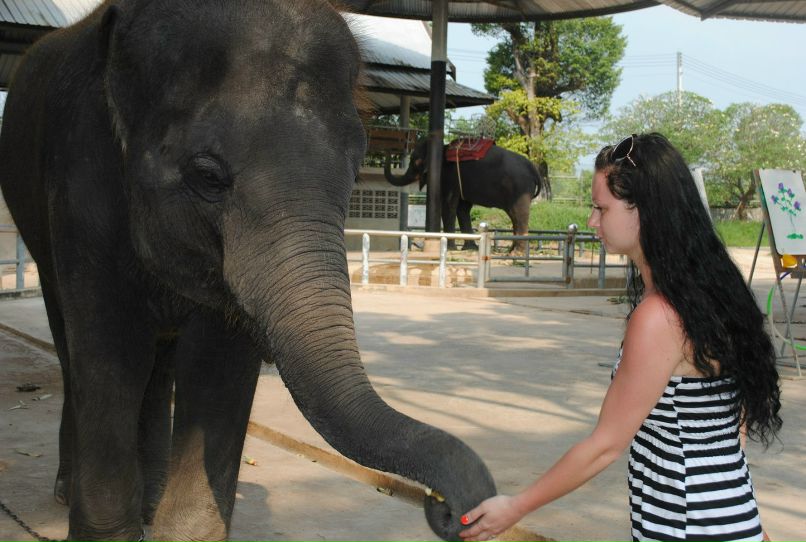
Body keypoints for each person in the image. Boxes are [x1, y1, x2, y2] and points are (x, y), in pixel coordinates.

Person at [459, 133, 782, 542]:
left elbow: (606, 445)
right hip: (730, 520)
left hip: (687, 527)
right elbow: (728, 435)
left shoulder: (659, 317)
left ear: (644, 210)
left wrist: (514, 507)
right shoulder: (714, 296)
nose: (593, 220)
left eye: (601, 208)